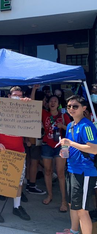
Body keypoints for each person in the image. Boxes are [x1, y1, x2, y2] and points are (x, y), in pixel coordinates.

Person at [0, 86, 31, 223]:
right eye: (14, 94)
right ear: (9, 96)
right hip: (1, 151)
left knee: (18, 181)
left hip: (18, 151)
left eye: (20, 95)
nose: (17, 97)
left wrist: (29, 104)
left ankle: (17, 207)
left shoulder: (24, 108)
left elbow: (33, 123)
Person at [58, 95, 97, 234]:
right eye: (69, 106)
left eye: (75, 106)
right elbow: (70, 146)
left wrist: (70, 143)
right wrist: (65, 151)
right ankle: (73, 231)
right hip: (72, 169)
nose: (71, 109)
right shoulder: (70, 125)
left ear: (84, 108)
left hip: (85, 171)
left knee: (82, 210)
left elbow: (94, 149)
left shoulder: (87, 126)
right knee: (72, 205)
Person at [41, 94, 71, 212]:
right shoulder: (44, 114)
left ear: (58, 104)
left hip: (61, 146)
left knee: (60, 173)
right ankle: (50, 195)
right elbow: (32, 107)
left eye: (55, 101)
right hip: (47, 145)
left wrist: (62, 126)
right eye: (50, 101)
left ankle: (64, 201)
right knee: (47, 171)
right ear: (47, 103)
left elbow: (70, 129)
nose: (52, 103)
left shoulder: (64, 115)